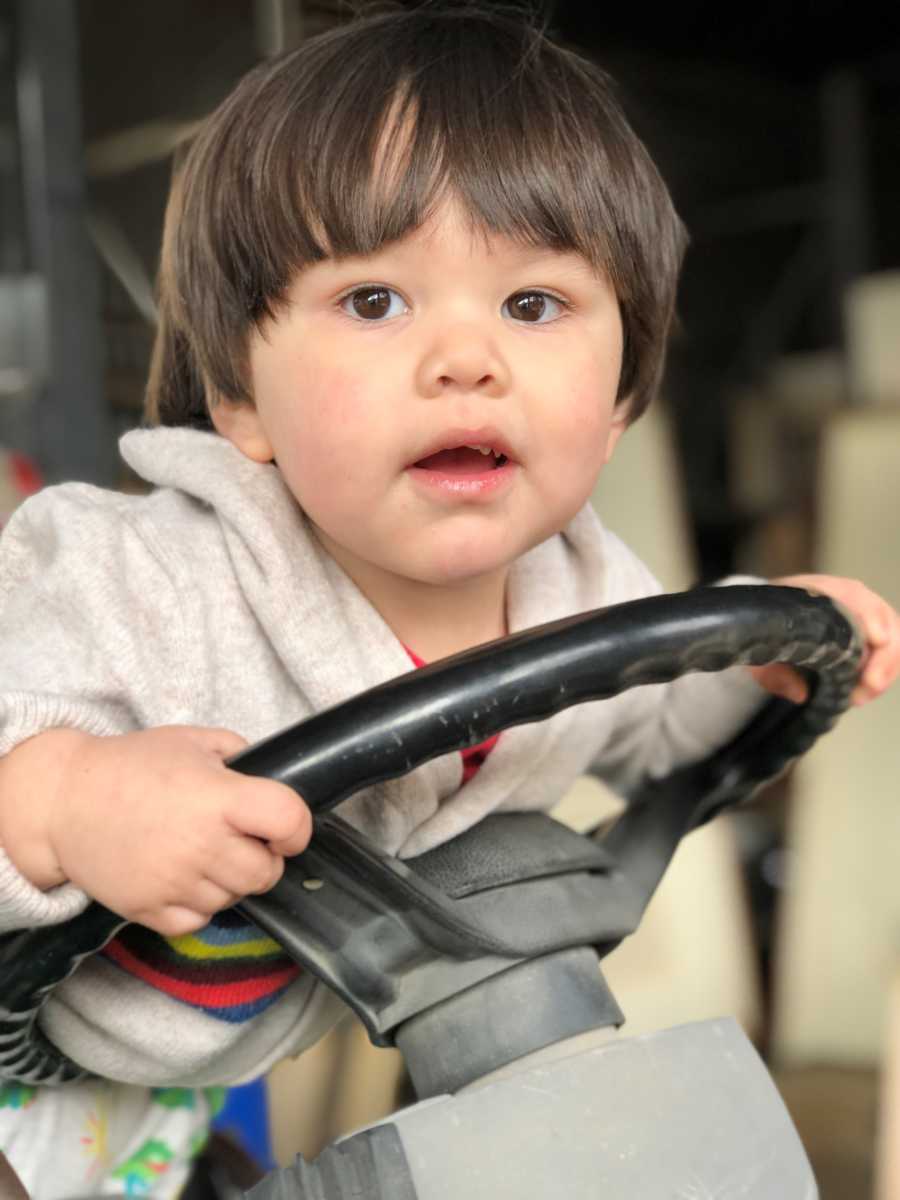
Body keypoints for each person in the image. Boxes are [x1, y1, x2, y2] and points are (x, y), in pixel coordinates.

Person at [0, 5, 898, 1196]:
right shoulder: (135, 577)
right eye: (376, 302)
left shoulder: (586, 596)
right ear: (242, 400)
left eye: (534, 305)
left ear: (624, 388)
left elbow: (650, 731)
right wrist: (62, 801)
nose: (466, 358)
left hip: (166, 1105)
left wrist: (754, 653)